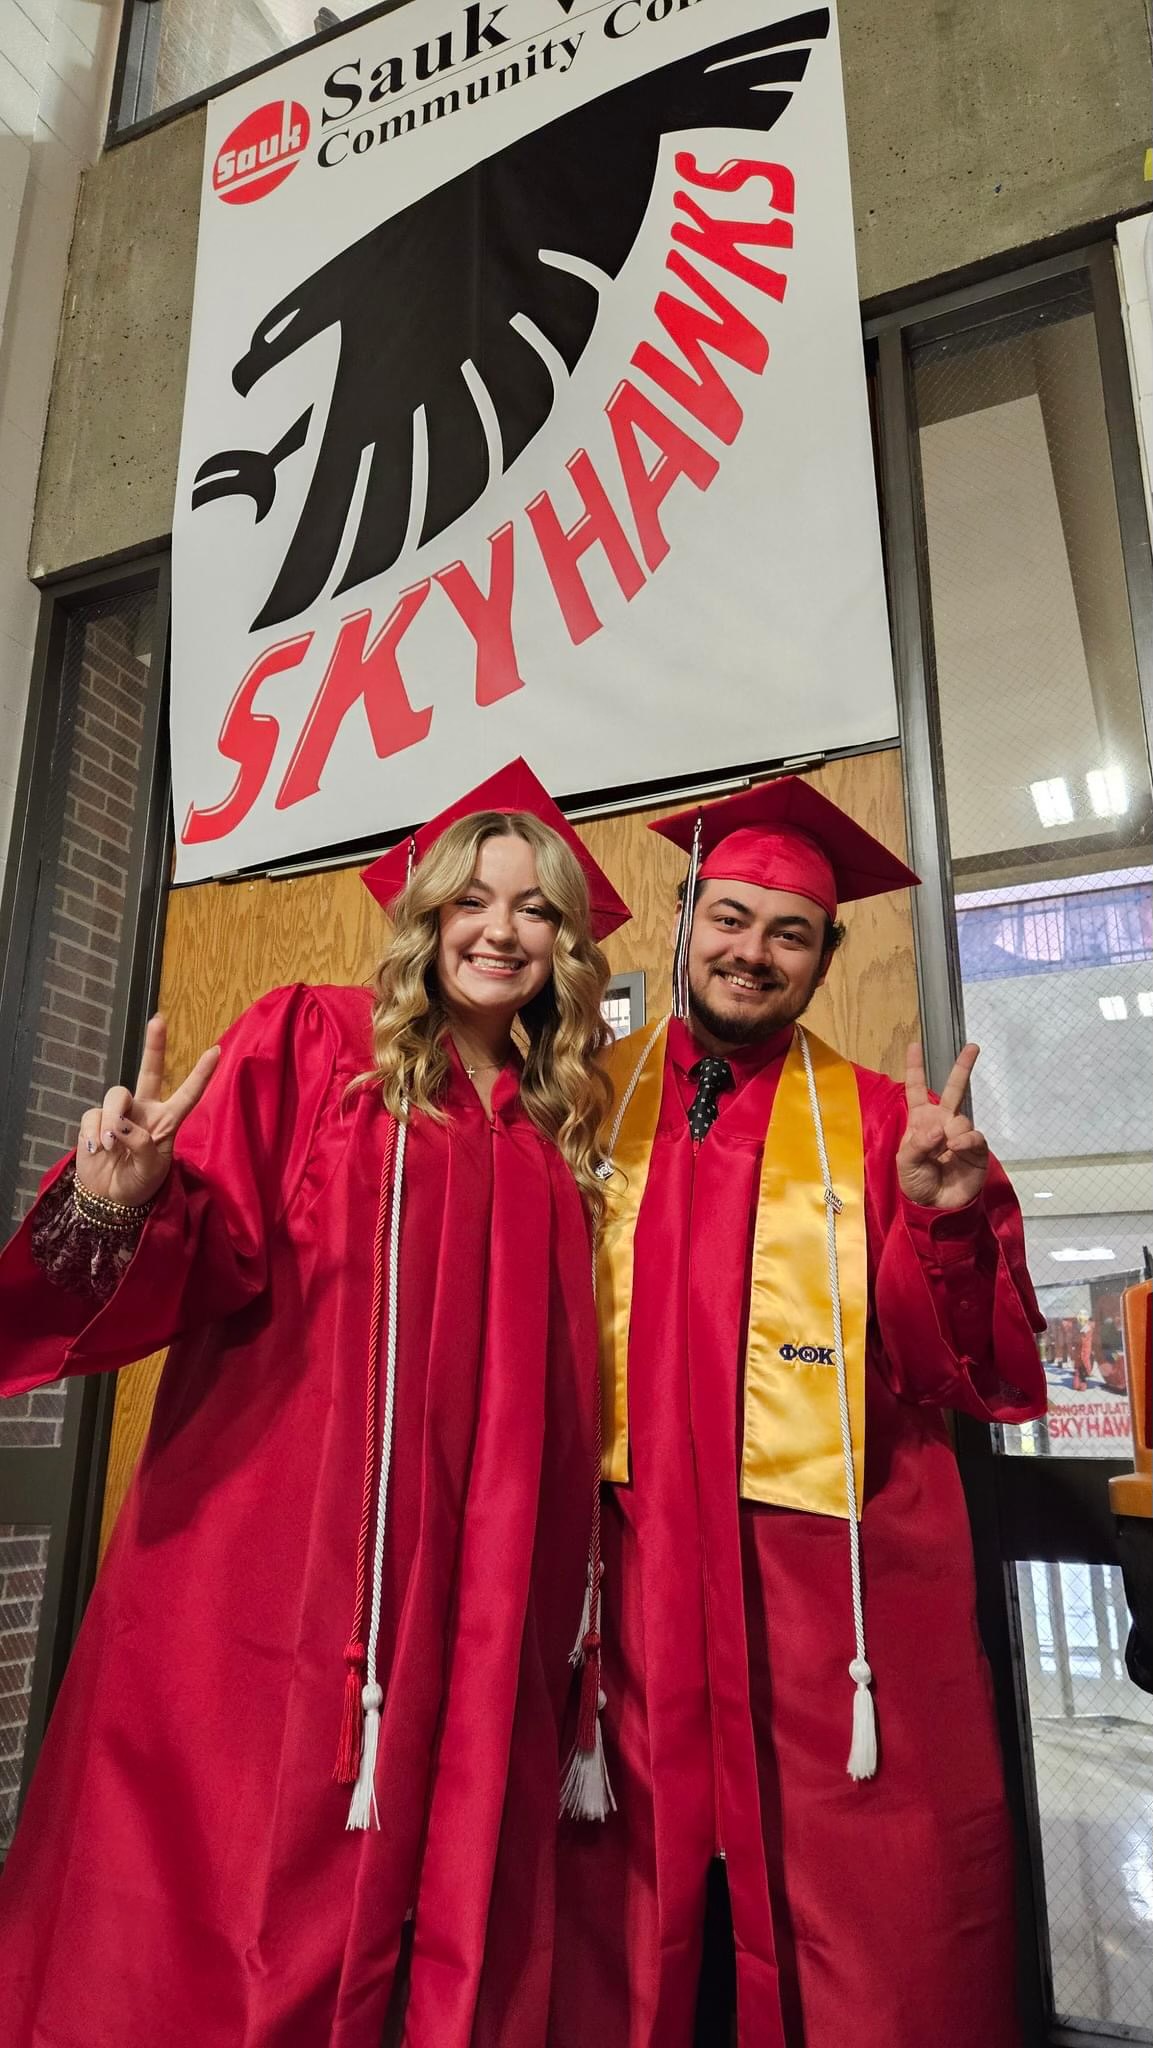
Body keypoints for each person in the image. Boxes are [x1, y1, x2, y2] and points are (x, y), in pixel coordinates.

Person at [0, 757, 630, 2048]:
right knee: (220, 1910)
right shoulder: (317, 1048)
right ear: (426, 915)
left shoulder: (549, 1148)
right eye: (472, 899)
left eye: (534, 909)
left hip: (465, 1616)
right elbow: (200, 1253)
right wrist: (120, 1196)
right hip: (271, 1581)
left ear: (565, 947)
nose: (500, 930)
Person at [550, 775, 1047, 2048]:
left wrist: (944, 1217)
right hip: (628, 1575)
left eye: (788, 933)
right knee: (623, 1901)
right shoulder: (584, 1107)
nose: (751, 952)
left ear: (826, 956)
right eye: (729, 918)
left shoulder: (883, 1125)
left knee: (856, 1902)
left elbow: (957, 1371)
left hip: (824, 1591)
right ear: (686, 923)